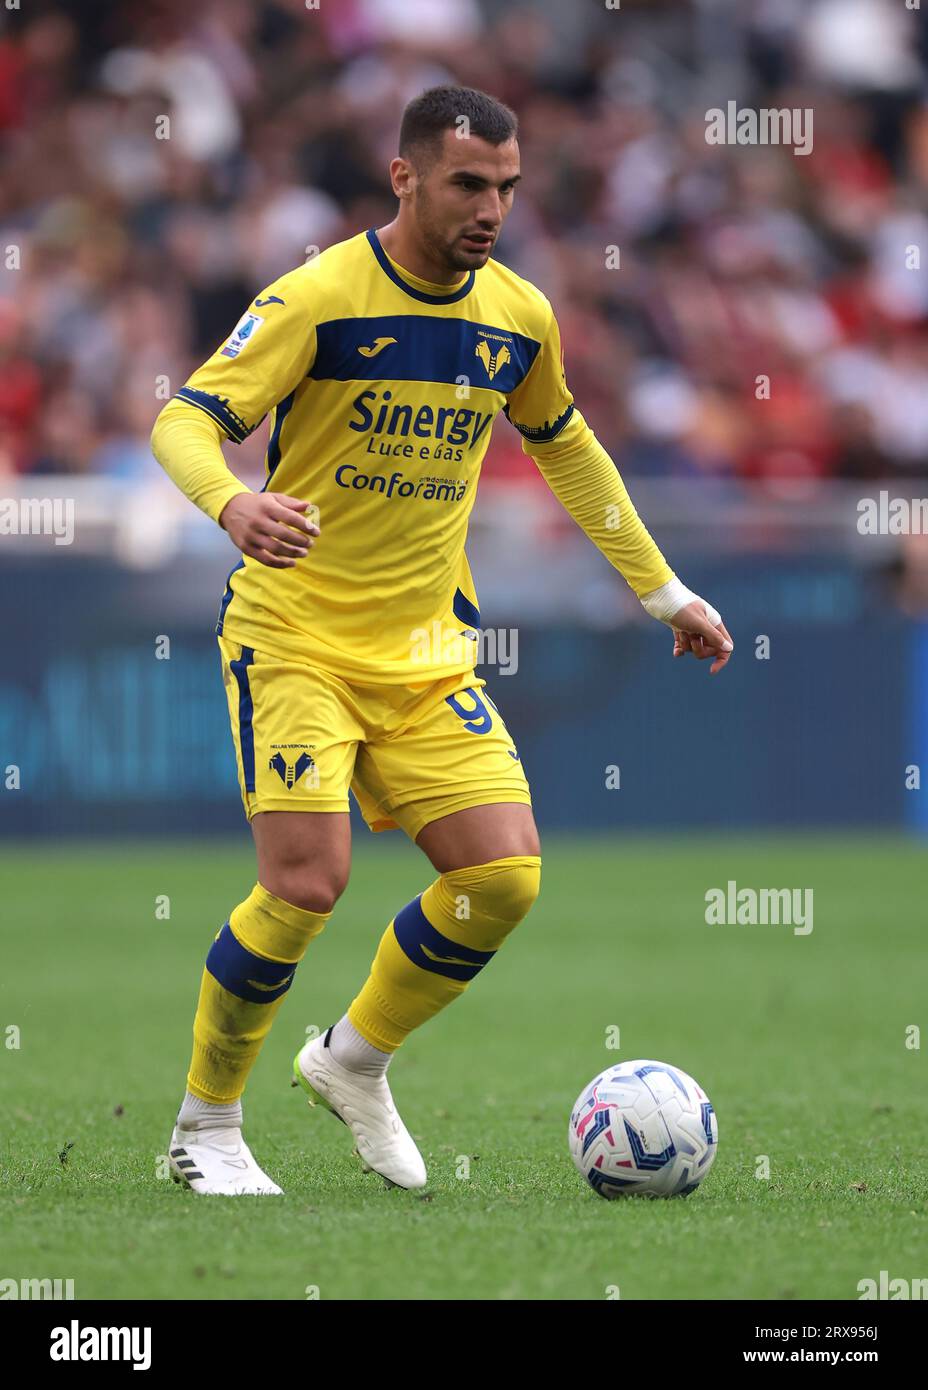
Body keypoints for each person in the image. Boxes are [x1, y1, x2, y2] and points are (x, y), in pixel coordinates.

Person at [150, 84, 733, 1196]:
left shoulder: (518, 316)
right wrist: (230, 501)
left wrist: (665, 595)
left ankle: (354, 1060)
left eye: (507, 188)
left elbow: (567, 449)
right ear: (405, 175)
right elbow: (184, 417)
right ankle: (205, 1127)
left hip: (426, 655)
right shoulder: (320, 295)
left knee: (503, 878)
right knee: (308, 883)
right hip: (298, 638)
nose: (490, 209)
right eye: (469, 183)